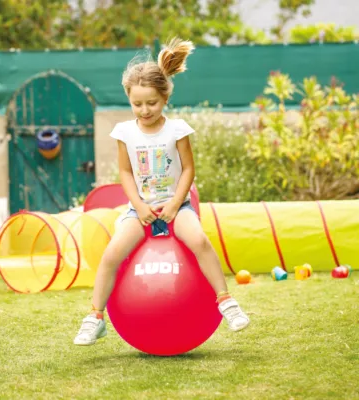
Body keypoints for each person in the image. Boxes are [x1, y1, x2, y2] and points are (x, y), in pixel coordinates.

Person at [74, 38, 250, 346]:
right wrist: (139, 207)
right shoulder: (124, 133)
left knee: (199, 240)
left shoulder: (177, 129)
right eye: (137, 104)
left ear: (165, 97)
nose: (144, 110)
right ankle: (95, 317)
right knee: (112, 253)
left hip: (177, 207)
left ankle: (225, 301)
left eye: (151, 103)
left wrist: (175, 204)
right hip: (139, 210)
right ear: (129, 99)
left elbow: (188, 170)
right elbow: (126, 172)